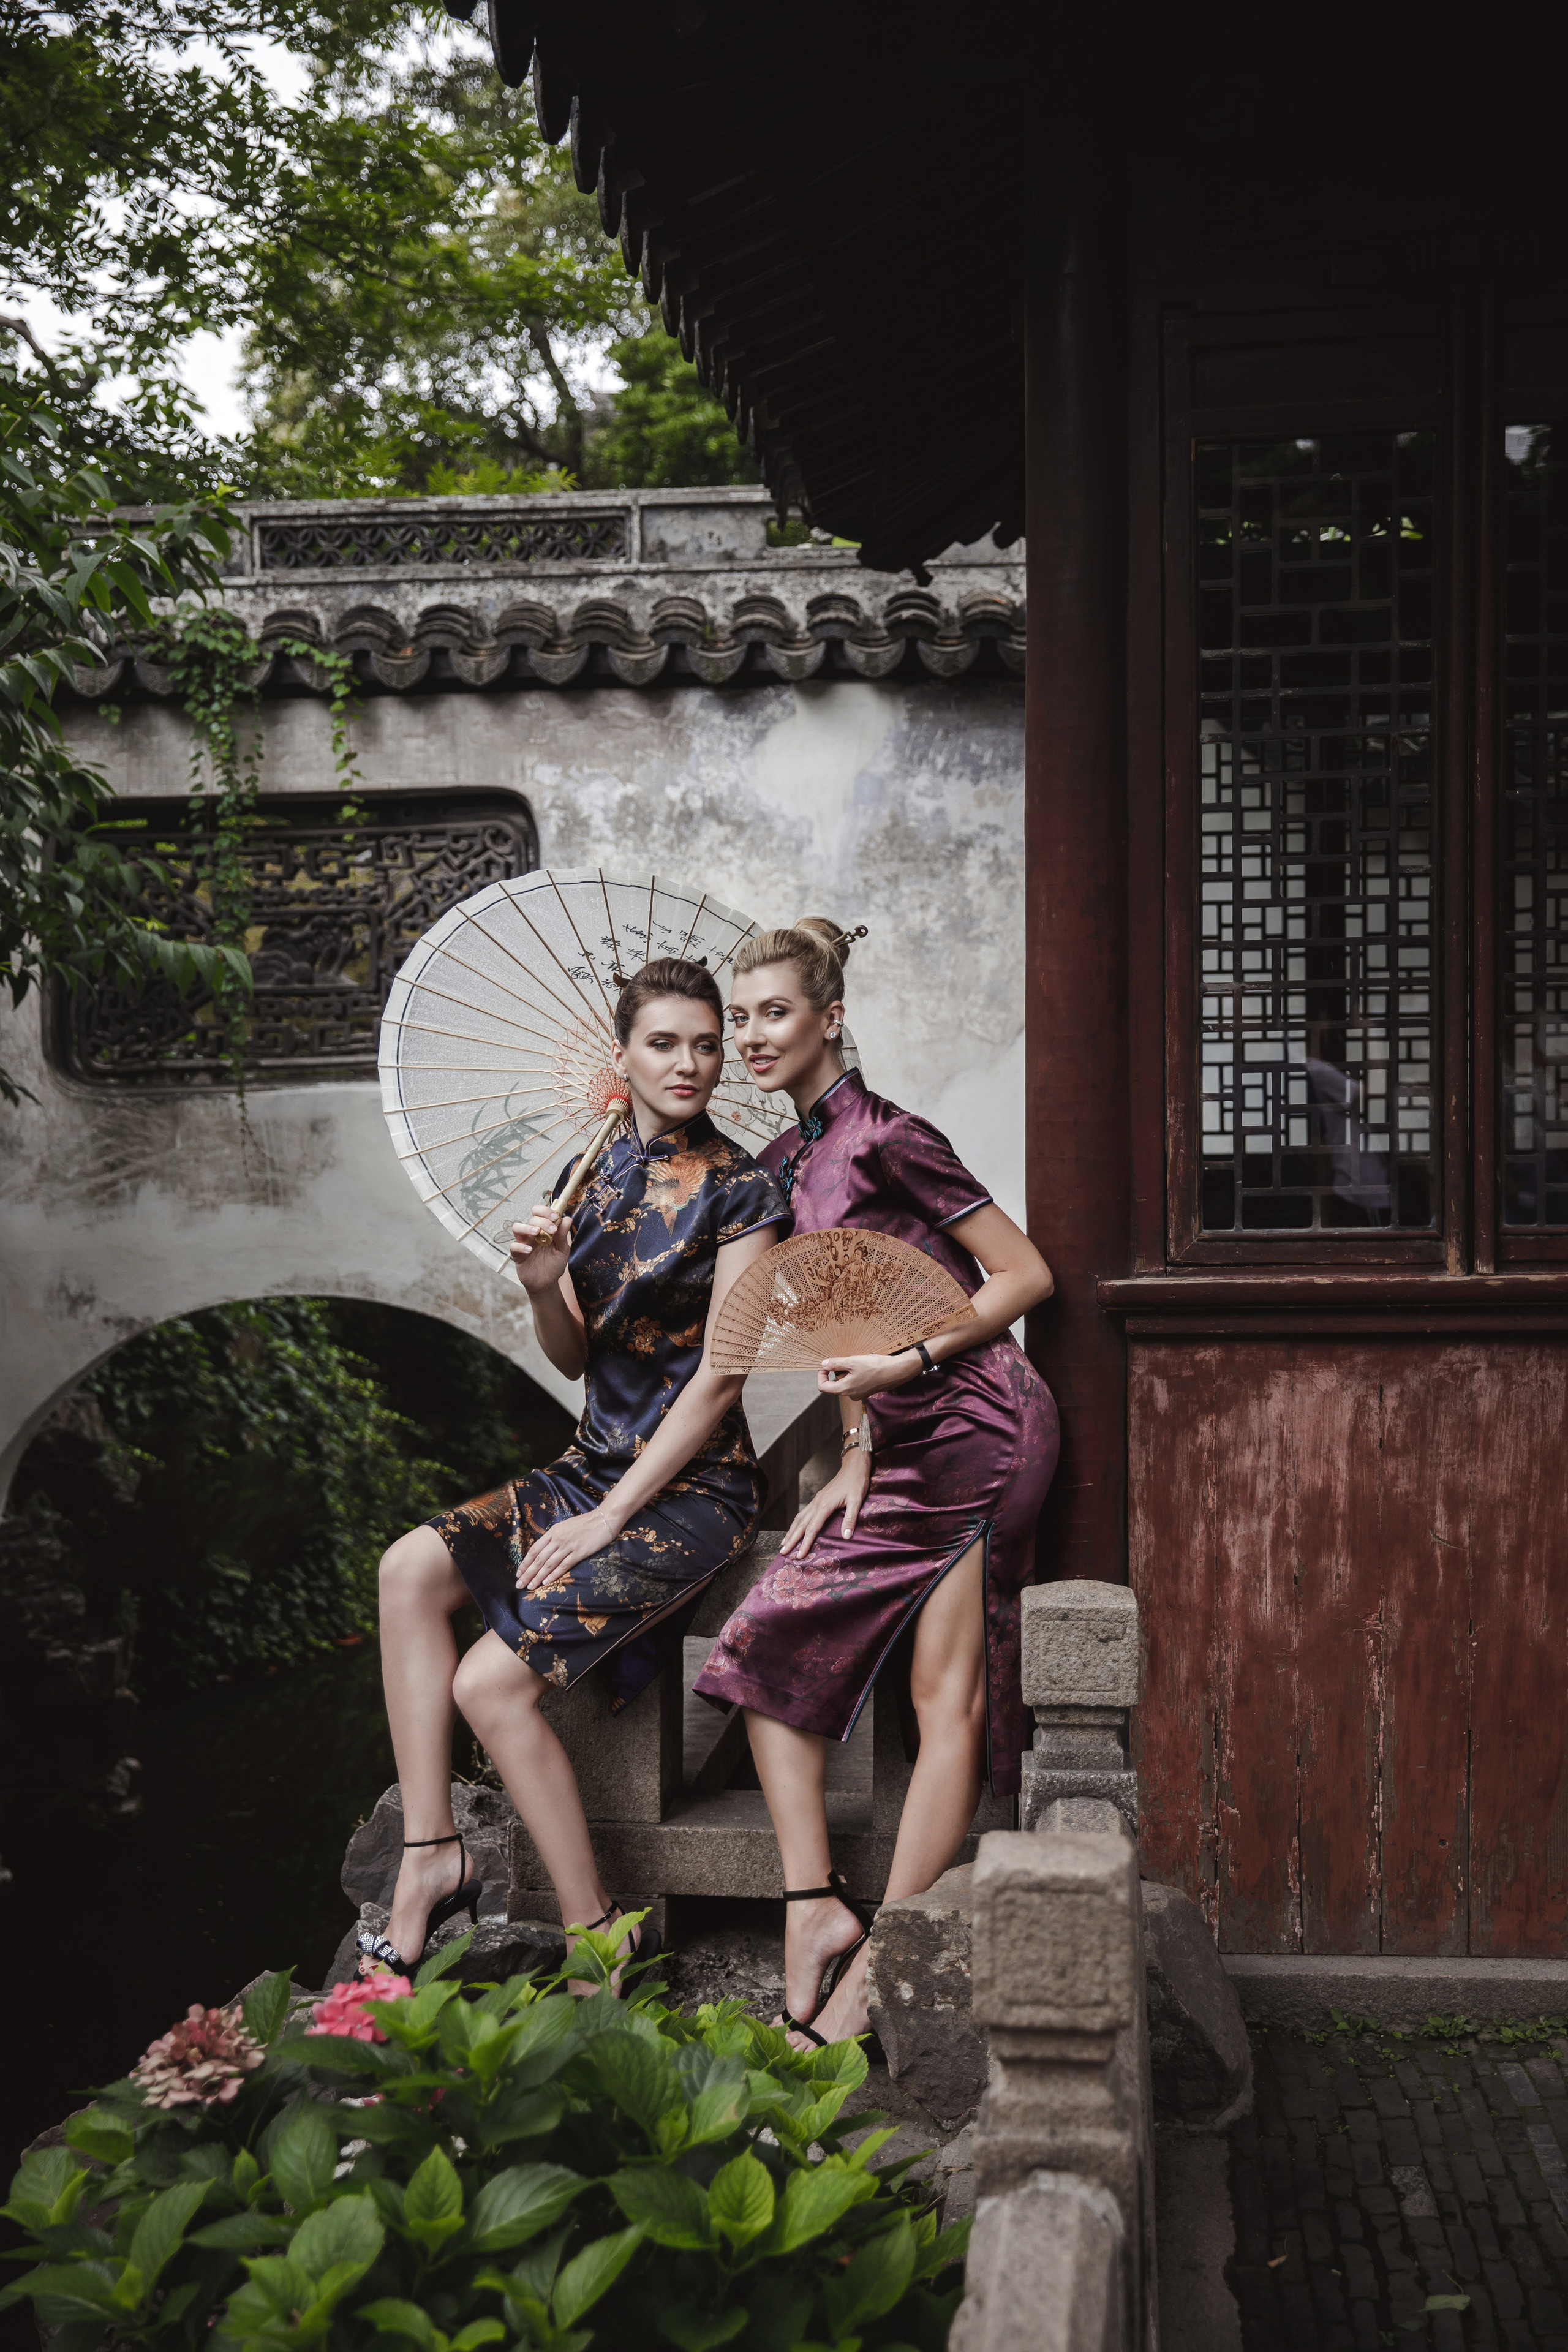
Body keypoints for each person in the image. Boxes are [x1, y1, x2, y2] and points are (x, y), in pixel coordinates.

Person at [365, 957, 787, 1983]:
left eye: (706, 1045)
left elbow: (722, 1381)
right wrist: (542, 1283)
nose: (689, 1063)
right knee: (405, 1570)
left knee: (487, 1684)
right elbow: (571, 1357)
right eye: (663, 1043)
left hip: (696, 1489)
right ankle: (431, 1852)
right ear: (622, 1055)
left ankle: (598, 1926)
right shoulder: (588, 1171)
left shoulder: (745, 1189)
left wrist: (609, 1519)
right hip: (592, 1463)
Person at [694, 920, 1058, 2048]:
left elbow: (1026, 1274)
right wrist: (854, 1453)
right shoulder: (781, 1162)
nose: (752, 1037)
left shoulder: (891, 1137)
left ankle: (876, 1973)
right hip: (896, 1443)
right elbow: (842, 1321)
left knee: (944, 1701)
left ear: (831, 1017)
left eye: (774, 1013)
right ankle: (814, 1910)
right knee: (759, 1649)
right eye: (740, 1018)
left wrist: (908, 1365)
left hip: (979, 1426)